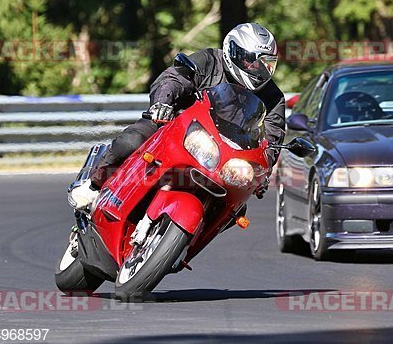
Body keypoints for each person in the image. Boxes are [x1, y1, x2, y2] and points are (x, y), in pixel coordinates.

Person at [68, 23, 286, 211]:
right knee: (131, 141)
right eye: (251, 61)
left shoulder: (273, 97)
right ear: (234, 52)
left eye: (265, 63)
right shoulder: (209, 60)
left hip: (226, 155)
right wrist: (162, 103)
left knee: (235, 207)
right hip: (175, 124)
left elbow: (273, 136)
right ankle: (93, 185)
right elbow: (175, 78)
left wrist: (263, 169)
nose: (257, 69)